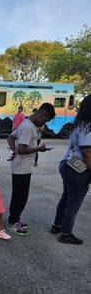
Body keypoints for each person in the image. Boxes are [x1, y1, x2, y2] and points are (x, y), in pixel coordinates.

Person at [7, 103, 56, 235]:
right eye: (45, 120)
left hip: (22, 166)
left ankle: (15, 219)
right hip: (21, 168)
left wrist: (14, 151)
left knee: (20, 196)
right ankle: (12, 223)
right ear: (42, 114)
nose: (44, 123)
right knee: (20, 197)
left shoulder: (27, 123)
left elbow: (11, 137)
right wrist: (39, 149)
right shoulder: (28, 127)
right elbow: (22, 149)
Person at [51, 95, 91, 245]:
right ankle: (66, 234)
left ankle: (57, 226)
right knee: (74, 203)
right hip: (78, 170)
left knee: (66, 197)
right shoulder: (88, 128)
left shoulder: (78, 125)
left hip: (68, 165)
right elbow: (87, 153)